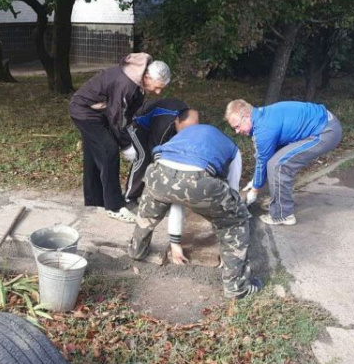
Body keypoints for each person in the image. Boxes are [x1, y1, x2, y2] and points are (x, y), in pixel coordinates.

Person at [127, 123, 262, 299]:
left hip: (157, 173)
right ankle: (237, 287)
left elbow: (176, 199)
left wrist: (175, 243)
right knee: (235, 220)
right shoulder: (232, 148)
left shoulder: (182, 136)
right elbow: (232, 192)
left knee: (148, 213)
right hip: (197, 180)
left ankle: (137, 251)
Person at [69, 53, 171, 223]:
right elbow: (117, 117)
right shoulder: (126, 83)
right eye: (157, 87)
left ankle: (95, 200)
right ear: (147, 77)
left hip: (99, 111)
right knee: (108, 151)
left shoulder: (137, 81)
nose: (158, 92)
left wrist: (127, 134)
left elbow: (126, 113)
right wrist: (126, 145)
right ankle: (114, 206)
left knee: (94, 153)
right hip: (84, 111)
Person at [225, 99, 342, 226]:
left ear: (247, 116)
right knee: (276, 160)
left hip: (325, 131)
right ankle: (279, 201)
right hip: (324, 122)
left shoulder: (264, 128)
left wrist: (254, 190)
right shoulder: (261, 116)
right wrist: (254, 181)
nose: (237, 131)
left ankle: (283, 214)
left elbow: (262, 161)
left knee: (278, 165)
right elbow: (264, 156)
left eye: (237, 126)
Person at [124, 103, 200, 264]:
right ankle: (129, 198)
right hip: (138, 125)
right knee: (143, 157)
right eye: (184, 131)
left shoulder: (187, 120)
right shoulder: (164, 125)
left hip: (157, 126)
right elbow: (158, 153)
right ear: (177, 122)